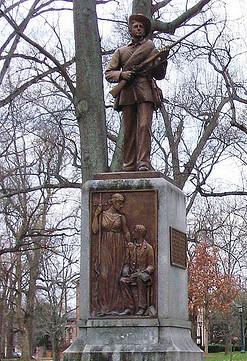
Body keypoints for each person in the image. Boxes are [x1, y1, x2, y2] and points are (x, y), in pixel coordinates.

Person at [105, 14, 169, 172]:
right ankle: (129, 164)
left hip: (145, 90)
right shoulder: (121, 52)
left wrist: (162, 60)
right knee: (129, 130)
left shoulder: (150, 48)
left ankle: (143, 163)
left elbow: (159, 75)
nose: (139, 28)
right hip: (127, 92)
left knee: (144, 126)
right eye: (136, 26)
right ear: (130, 30)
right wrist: (122, 75)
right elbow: (109, 73)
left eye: (141, 26)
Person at [91, 193, 130, 316]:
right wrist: (96, 215)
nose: (121, 205)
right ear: (113, 202)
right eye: (119, 202)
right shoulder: (102, 214)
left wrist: (130, 246)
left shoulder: (121, 217)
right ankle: (103, 307)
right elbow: (95, 230)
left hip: (118, 246)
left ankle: (116, 307)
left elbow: (126, 232)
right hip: (105, 246)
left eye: (122, 202)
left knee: (115, 276)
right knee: (104, 275)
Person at [120, 224, 156, 316]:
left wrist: (146, 271)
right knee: (122, 281)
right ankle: (129, 307)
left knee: (140, 280)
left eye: (134, 231)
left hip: (143, 275)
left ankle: (142, 307)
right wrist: (126, 270)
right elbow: (127, 262)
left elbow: (151, 265)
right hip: (132, 275)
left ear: (139, 233)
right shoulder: (131, 247)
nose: (132, 233)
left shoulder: (148, 248)